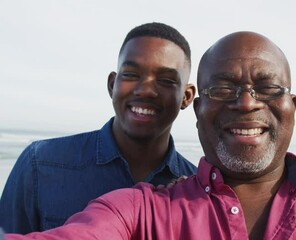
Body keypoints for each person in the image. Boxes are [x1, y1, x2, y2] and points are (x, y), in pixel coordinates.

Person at [5, 31, 296, 240]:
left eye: (267, 87)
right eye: (223, 88)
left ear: (294, 107)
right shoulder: (141, 208)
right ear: (197, 107)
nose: (245, 102)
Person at [0, 22, 197, 234]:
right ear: (112, 84)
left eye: (166, 80)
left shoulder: (196, 192)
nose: (145, 90)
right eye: (131, 74)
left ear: (186, 97)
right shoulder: (40, 164)